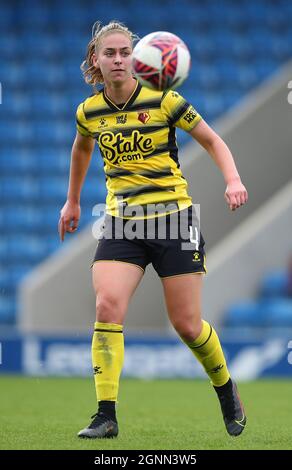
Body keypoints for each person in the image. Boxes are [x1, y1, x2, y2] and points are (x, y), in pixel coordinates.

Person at [58, 20, 248, 439]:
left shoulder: (165, 100)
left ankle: (225, 388)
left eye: (125, 52)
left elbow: (213, 140)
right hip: (121, 222)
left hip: (174, 219)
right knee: (107, 305)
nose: (118, 59)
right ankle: (105, 415)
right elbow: (82, 147)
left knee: (187, 325)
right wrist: (72, 201)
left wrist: (232, 180)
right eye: (109, 53)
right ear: (96, 60)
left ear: (137, 56)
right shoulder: (88, 112)